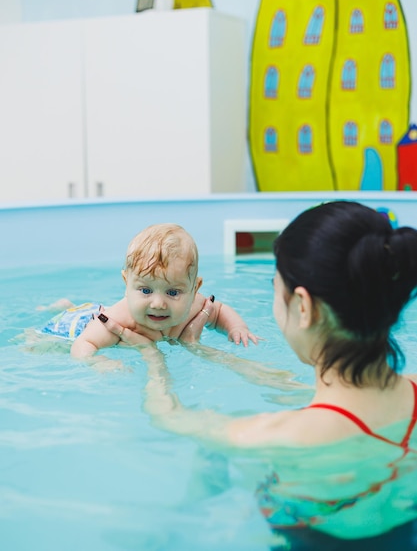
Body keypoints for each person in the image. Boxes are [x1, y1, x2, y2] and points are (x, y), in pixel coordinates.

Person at [138, 201, 417, 547]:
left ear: (302, 306)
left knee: (209, 453)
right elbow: (295, 389)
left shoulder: (279, 436)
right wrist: (201, 350)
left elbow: (169, 417)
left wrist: (150, 355)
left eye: (275, 288)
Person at [38, 223, 294, 384]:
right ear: (126, 283)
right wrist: (99, 362)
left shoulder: (194, 306)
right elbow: (84, 344)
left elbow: (218, 311)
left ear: (195, 289)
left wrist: (237, 328)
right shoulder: (117, 320)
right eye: (145, 290)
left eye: (173, 292)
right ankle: (63, 308)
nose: (158, 303)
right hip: (79, 324)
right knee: (39, 345)